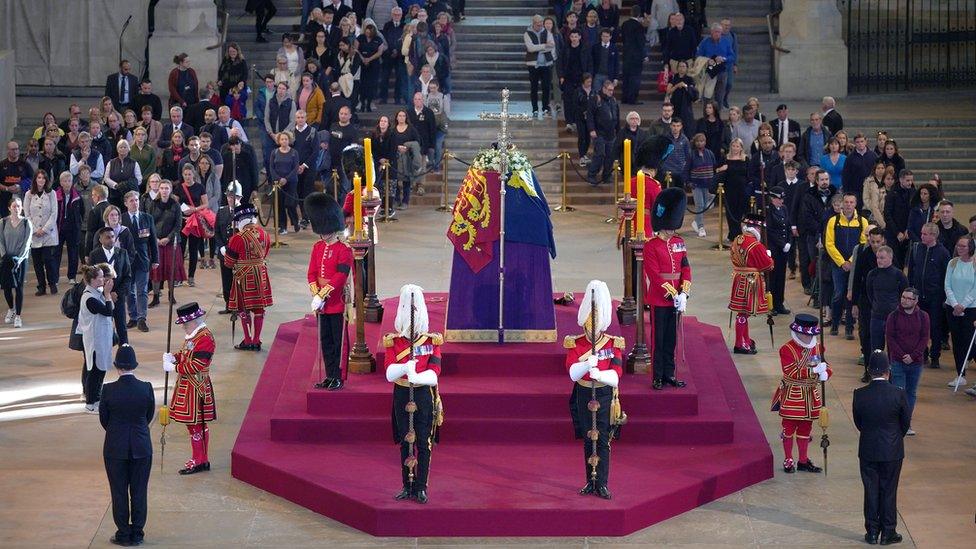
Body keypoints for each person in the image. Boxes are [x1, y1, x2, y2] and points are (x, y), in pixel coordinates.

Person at [383, 284, 442, 504]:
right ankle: (406, 485)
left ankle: (421, 486)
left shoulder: (431, 341)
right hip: (401, 393)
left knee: (423, 442)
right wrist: (404, 369)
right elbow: (389, 372)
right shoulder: (394, 341)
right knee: (405, 441)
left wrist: (415, 376)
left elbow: (435, 373)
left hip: (423, 395)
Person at [564, 279, 623, 499]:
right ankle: (590, 481)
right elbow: (571, 371)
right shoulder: (576, 343)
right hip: (583, 392)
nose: (591, 330)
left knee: (604, 439)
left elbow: (616, 375)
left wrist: (601, 374)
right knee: (589, 437)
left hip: (605, 393)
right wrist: (586, 365)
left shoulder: (612, 343)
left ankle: (603, 483)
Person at [99, 344, 154, 547]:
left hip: (115, 447)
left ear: (117, 366)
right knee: (139, 491)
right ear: (134, 365)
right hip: (141, 446)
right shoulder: (146, 388)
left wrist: (116, 431)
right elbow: (148, 415)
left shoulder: (108, 390)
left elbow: (104, 419)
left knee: (119, 491)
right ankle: (138, 532)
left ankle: (123, 532)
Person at [852, 351, 910, 545]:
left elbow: (859, 422)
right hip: (892, 450)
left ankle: (871, 532)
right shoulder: (899, 393)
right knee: (889, 490)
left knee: (870, 490)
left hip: (868, 449)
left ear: (869, 370)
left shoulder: (859, 395)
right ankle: (888, 532)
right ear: (888, 371)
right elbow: (905, 423)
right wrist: (893, 438)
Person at [644, 188, 691, 390]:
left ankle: (670, 374)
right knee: (658, 340)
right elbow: (653, 275)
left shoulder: (679, 243)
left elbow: (685, 268)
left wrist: (684, 292)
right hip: (659, 299)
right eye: (669, 227)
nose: (672, 230)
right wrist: (673, 294)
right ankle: (658, 375)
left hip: (677, 299)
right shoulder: (651, 246)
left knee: (671, 339)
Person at [772, 313, 831, 473]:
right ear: (798, 333)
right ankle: (788, 458)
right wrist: (814, 371)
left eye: (809, 335)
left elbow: (824, 364)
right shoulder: (787, 349)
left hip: (810, 395)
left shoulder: (818, 347)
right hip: (793, 394)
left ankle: (803, 460)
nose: (807, 338)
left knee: (806, 428)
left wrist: (826, 372)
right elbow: (791, 371)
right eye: (805, 335)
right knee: (788, 428)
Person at [162, 302, 217, 475]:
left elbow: (197, 365)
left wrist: (175, 368)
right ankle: (200, 458)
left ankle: (199, 459)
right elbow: (186, 354)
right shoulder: (194, 336)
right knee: (193, 425)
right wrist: (174, 357)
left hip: (196, 387)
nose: (184, 327)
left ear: (194, 321)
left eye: (185, 324)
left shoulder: (205, 338)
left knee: (196, 425)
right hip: (188, 386)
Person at [306, 192, 353, 390]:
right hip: (322, 304)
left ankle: (338, 376)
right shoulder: (317, 247)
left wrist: (323, 295)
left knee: (338, 342)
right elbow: (311, 273)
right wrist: (316, 294)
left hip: (336, 302)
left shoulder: (344, 250)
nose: (323, 234)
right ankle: (329, 374)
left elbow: (340, 277)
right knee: (325, 341)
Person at [223, 204, 273, 351]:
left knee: (243, 309)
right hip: (261, 274)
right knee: (259, 309)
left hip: (244, 277)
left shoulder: (237, 238)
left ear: (239, 221)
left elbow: (228, 263)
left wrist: (224, 252)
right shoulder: (265, 234)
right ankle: (256, 340)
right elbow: (265, 254)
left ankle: (248, 339)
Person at [728, 214, 774, 354]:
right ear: (757, 228)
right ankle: (740, 343)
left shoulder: (737, 239)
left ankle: (745, 339)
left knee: (743, 312)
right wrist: (769, 257)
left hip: (738, 278)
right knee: (744, 313)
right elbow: (768, 266)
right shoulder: (756, 245)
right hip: (751, 281)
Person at [824, 192, 868, 338]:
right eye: (846, 202)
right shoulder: (833, 221)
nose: (848, 205)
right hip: (838, 265)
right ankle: (835, 324)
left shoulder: (862, 222)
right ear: (842, 204)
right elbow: (829, 244)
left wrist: (851, 261)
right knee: (838, 294)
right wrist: (842, 262)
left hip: (855, 265)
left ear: (856, 204)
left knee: (852, 295)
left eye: (851, 202)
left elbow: (863, 242)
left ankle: (849, 327)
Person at [907, 222, 949, 369]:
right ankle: (921, 353)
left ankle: (935, 355)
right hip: (919, 295)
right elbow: (912, 270)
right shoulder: (917, 248)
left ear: (933, 235)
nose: (921, 236)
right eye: (922, 233)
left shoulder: (943, 253)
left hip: (935, 296)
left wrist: (944, 296)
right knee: (919, 326)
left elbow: (946, 275)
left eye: (925, 234)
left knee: (935, 327)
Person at [849, 227, 887, 381]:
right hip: (866, 302)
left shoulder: (889, 255)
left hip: (883, 303)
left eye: (878, 242)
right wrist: (854, 304)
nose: (875, 245)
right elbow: (857, 278)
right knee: (865, 336)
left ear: (883, 240)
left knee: (881, 337)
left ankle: (882, 370)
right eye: (872, 242)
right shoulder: (864, 255)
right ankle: (868, 369)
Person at [121, 192, 158, 333]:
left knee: (142, 291)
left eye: (136, 200)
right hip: (127, 262)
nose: (135, 203)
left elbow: (153, 241)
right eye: (131, 201)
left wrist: (155, 259)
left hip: (143, 260)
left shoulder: (147, 218)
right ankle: (133, 317)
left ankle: (142, 318)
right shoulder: (122, 219)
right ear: (126, 203)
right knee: (129, 291)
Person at [90, 224, 132, 344]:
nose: (111, 239)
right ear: (100, 239)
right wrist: (106, 293)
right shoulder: (95, 255)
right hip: (101, 298)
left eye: (113, 237)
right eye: (107, 237)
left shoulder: (122, 253)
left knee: (121, 326)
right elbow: (92, 279)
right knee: (103, 326)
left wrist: (116, 293)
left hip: (118, 296)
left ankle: (124, 352)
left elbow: (128, 277)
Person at [944, 235, 976, 389]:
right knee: (956, 341)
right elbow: (947, 285)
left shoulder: (975, 264)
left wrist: (963, 305)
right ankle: (960, 374)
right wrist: (955, 304)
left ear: (970, 248)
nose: (960, 248)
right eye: (958, 246)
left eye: (963, 246)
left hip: (970, 308)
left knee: (970, 341)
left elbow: (975, 289)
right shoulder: (952, 263)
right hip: (952, 307)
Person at [147, 181, 185, 307]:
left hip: (171, 242)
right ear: (159, 190)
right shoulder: (153, 204)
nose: (164, 190)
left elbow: (178, 225)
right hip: (156, 242)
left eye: (166, 188)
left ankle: (171, 294)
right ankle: (156, 296)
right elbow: (149, 222)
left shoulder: (175, 205)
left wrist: (168, 238)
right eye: (162, 188)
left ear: (170, 190)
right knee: (156, 271)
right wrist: (156, 238)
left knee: (171, 269)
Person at [864, 245, 908, 352]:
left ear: (890, 258)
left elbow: (904, 293)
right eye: (878, 257)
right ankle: (876, 368)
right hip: (876, 317)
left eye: (882, 258)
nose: (879, 260)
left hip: (894, 317)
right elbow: (869, 293)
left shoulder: (899, 275)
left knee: (894, 349)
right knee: (876, 350)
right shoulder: (872, 274)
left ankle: (893, 368)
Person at [23, 170, 60, 296]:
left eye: (43, 178)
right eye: (39, 178)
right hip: (34, 234)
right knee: (37, 263)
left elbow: (54, 213)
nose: (41, 180)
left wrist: (44, 229)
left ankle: (52, 283)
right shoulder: (28, 194)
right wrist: (34, 229)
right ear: (35, 179)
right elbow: (26, 214)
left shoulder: (52, 194)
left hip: (48, 233)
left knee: (49, 260)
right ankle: (41, 286)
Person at [0, 197, 32, 328]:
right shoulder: (2, 222)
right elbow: (0, 241)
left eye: (19, 206)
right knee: (7, 287)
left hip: (20, 260)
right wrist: (4, 256)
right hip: (6, 259)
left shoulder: (26, 223)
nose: (16, 209)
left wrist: (19, 259)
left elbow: (27, 243)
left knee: (19, 287)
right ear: (9, 208)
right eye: (14, 206)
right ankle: (11, 309)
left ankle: (18, 315)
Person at [586, 79, 619, 186]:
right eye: (609, 90)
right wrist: (591, 129)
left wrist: (617, 132)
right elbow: (590, 115)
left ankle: (607, 175)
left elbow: (617, 117)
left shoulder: (613, 100)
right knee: (599, 154)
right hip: (599, 132)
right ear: (604, 89)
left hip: (611, 133)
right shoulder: (596, 99)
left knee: (610, 155)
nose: (611, 92)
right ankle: (592, 174)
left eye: (612, 90)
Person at [715, 137, 749, 242]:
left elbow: (749, 173)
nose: (735, 148)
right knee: (730, 213)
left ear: (741, 148)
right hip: (729, 189)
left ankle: (734, 234)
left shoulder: (745, 158)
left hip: (742, 189)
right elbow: (716, 169)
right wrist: (722, 168)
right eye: (733, 146)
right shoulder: (725, 158)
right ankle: (735, 234)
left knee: (739, 212)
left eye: (737, 146)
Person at [56, 170, 85, 283]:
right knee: (56, 254)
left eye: (69, 180)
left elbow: (82, 211)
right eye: (65, 181)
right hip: (59, 228)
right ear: (61, 182)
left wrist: (77, 222)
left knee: (73, 253)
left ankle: (71, 277)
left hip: (73, 228)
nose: (67, 183)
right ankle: (55, 277)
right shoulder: (55, 194)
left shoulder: (77, 196)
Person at [270, 132, 302, 235]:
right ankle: (282, 226)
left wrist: (286, 179)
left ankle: (295, 221)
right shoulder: (274, 152)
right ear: (279, 141)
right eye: (282, 139)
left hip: (291, 181)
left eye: (286, 139)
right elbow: (271, 167)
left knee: (290, 203)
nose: (284, 141)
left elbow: (295, 167)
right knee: (279, 205)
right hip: (277, 182)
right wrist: (279, 179)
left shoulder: (294, 152)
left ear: (289, 140)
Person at [767, 186, 792, 315]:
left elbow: (787, 227)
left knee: (781, 276)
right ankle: (770, 305)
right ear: (772, 198)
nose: (781, 201)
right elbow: (770, 231)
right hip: (774, 248)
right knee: (773, 277)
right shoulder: (768, 211)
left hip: (783, 249)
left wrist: (788, 242)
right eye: (778, 199)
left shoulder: (784, 209)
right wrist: (782, 244)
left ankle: (779, 303)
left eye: (782, 199)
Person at [695, 23, 733, 110]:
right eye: (715, 32)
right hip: (709, 72)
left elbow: (732, 56)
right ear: (711, 32)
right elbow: (698, 55)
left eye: (719, 32)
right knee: (707, 96)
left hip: (721, 72)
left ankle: (718, 116)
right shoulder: (705, 42)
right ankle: (706, 116)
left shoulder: (726, 42)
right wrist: (707, 60)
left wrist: (723, 58)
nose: (717, 34)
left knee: (719, 97)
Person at [524, 14, 556, 117]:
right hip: (533, 65)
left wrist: (539, 48)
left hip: (546, 64)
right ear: (533, 24)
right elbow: (530, 48)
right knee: (534, 87)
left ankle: (545, 108)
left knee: (546, 87)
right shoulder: (527, 34)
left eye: (541, 24)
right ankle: (535, 109)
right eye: (538, 25)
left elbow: (551, 46)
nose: (540, 26)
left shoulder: (547, 32)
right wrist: (544, 46)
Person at [884, 169, 914, 267]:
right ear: (901, 180)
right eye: (907, 180)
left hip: (908, 233)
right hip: (894, 234)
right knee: (895, 262)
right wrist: (897, 232)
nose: (910, 183)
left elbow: (914, 213)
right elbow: (888, 215)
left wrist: (908, 230)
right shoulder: (892, 194)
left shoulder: (914, 193)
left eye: (911, 180)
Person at [619, 6, 647, 105]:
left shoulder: (624, 24)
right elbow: (641, 42)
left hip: (626, 54)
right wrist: (644, 55)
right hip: (636, 56)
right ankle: (632, 99)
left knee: (626, 77)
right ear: (639, 14)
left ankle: (624, 98)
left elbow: (623, 39)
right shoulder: (639, 26)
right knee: (635, 78)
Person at [104, 140, 143, 209]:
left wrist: (128, 184)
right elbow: (106, 178)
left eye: (125, 147)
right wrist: (116, 185)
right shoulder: (111, 163)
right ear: (117, 149)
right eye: (121, 147)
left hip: (129, 195)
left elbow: (139, 179)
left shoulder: (134, 163)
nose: (123, 149)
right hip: (114, 195)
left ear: (128, 149)